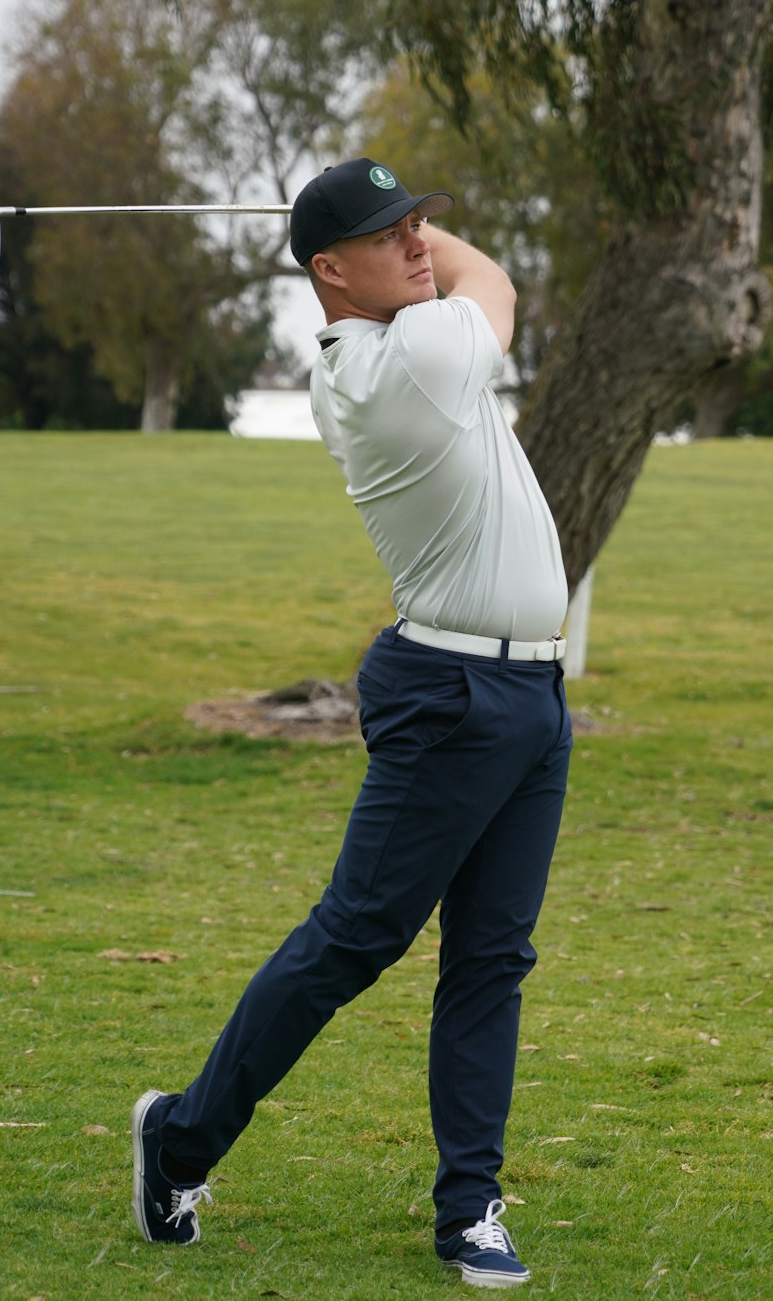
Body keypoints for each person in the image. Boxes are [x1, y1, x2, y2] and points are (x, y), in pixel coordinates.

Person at [131, 157, 573, 1289]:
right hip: (450, 691)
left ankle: (468, 1206)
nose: (419, 242)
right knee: (354, 939)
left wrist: (406, 226)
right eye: (390, 233)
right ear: (329, 270)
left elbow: (466, 277)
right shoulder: (399, 365)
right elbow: (501, 284)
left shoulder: (409, 330)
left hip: (530, 693)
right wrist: (449, 235)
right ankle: (179, 1137)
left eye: (419, 220)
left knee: (493, 955)